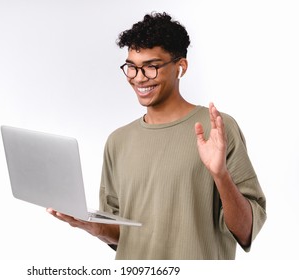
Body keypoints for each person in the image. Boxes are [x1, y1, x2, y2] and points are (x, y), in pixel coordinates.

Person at [47, 12, 266, 260]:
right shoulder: (118, 141)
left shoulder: (217, 128)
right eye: (131, 67)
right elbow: (124, 232)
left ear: (180, 66)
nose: (139, 78)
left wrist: (220, 174)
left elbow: (247, 230)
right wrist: (95, 228)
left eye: (151, 67)